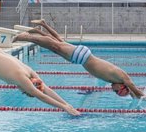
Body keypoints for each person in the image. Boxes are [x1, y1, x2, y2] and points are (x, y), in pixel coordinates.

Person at [13, 19, 145, 99]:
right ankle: (25, 37)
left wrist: (135, 95)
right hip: (83, 56)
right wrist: (143, 97)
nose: (113, 90)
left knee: (56, 44)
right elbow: (134, 88)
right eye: (116, 91)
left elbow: (133, 93)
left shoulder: (118, 81)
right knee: (55, 45)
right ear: (122, 87)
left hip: (80, 58)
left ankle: (41, 27)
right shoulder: (123, 77)